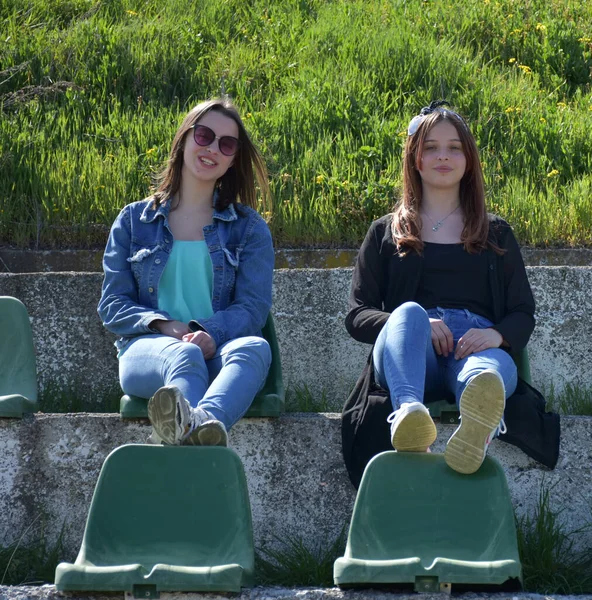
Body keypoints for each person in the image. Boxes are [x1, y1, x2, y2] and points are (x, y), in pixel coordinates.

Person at [343, 101, 559, 478]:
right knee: (409, 312)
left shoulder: (496, 233)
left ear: (468, 159)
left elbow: (523, 312)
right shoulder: (385, 232)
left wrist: (495, 334)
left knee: (487, 374)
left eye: (454, 147)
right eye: (431, 147)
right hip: (410, 354)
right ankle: (409, 416)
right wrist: (416, 324)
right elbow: (357, 314)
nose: (443, 156)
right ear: (415, 159)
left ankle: (477, 428)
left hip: (472, 348)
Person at [98, 98, 274, 447]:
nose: (212, 149)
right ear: (184, 139)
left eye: (227, 144)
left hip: (217, 353)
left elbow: (253, 308)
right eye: (204, 135)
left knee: (255, 347)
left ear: (233, 159)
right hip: (148, 354)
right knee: (185, 353)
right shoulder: (134, 221)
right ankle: (197, 430)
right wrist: (165, 326)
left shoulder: (249, 229)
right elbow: (112, 304)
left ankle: (200, 422)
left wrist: (209, 332)